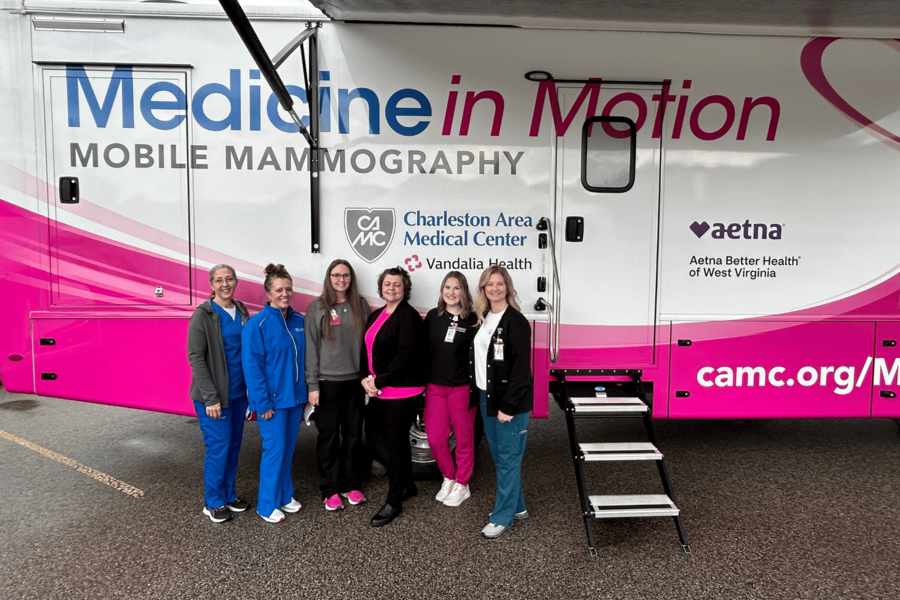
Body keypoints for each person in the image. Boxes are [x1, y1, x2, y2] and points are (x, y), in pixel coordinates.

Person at [360, 266, 427, 527]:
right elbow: (366, 348)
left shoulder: (408, 317)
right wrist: (365, 378)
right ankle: (408, 486)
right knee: (382, 442)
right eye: (387, 284)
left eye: (397, 284)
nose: (391, 288)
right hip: (379, 391)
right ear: (381, 287)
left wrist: (377, 380)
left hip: (402, 392)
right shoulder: (376, 315)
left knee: (395, 445)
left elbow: (405, 357)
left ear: (405, 288)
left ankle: (394, 501)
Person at [470, 265, 533, 539]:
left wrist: (508, 407)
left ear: (507, 286)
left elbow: (521, 371)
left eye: (500, 283)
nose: (495, 288)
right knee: (501, 458)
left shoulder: (516, 321)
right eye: (489, 284)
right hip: (487, 399)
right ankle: (517, 507)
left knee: (508, 459)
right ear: (483, 289)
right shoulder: (484, 318)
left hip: (509, 405)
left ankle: (502, 517)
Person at [242, 263, 308, 523]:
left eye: (288, 289)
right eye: (279, 289)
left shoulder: (299, 321)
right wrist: (262, 402)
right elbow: (252, 367)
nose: (285, 294)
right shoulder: (257, 325)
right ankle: (266, 504)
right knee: (274, 449)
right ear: (268, 293)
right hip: (272, 403)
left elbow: (304, 361)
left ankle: (284, 494)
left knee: (288, 449)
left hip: (294, 400)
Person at [305, 259, 371, 511]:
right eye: (336, 275)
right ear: (328, 277)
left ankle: (351, 485)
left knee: (354, 437)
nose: (341, 279)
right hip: (327, 383)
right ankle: (330, 489)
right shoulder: (317, 307)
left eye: (345, 275)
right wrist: (313, 385)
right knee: (329, 437)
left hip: (355, 382)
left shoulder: (360, 305)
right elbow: (311, 347)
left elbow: (368, 344)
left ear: (351, 278)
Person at [188, 264, 251, 523]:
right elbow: (196, 357)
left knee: (234, 447)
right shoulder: (203, 314)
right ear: (211, 285)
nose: (225, 284)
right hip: (214, 398)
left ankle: (228, 493)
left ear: (235, 281)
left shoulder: (241, 310)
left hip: (238, 395)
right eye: (219, 280)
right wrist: (211, 397)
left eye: (229, 279)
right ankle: (213, 501)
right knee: (219, 448)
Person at [424, 271, 477, 507]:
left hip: (462, 388)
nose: (451, 292)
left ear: (464, 291)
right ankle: (448, 476)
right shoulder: (433, 317)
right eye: (447, 287)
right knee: (436, 438)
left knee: (464, 439)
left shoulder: (474, 320)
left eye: (456, 288)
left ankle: (462, 484)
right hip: (435, 387)